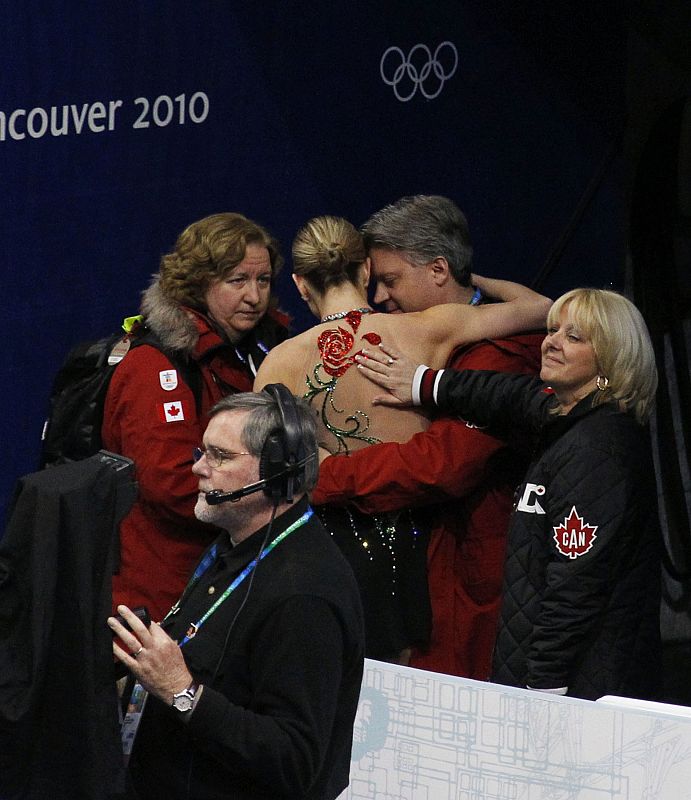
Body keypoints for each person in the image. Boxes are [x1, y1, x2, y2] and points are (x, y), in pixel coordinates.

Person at [254, 212, 551, 662]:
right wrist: (476, 280)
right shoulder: (431, 327)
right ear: (366, 268)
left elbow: (267, 472)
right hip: (419, 547)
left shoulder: (277, 363)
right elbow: (547, 309)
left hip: (331, 549)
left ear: (299, 283)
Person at [358, 288, 661, 700]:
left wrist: (542, 692)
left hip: (575, 696)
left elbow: (574, 590)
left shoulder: (596, 448)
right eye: (553, 330)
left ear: (611, 357)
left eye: (574, 337)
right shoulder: (566, 416)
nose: (551, 341)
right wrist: (424, 383)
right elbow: (507, 396)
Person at [108, 386, 365, 799]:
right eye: (202, 451)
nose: (197, 468)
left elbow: (294, 760)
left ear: (278, 471)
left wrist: (182, 692)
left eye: (220, 456)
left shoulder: (304, 595)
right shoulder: (233, 546)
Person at [102, 212, 290, 622]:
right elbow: (173, 483)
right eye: (237, 280)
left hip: (230, 571)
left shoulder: (264, 350)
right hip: (166, 589)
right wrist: (277, 501)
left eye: (263, 280)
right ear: (199, 282)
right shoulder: (156, 366)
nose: (254, 296)